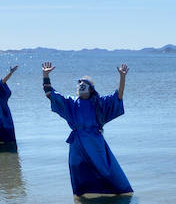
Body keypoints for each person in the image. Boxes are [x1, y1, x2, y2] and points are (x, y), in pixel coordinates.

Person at [42, 61, 132, 195]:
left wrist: (122, 77)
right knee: (78, 169)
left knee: (104, 168)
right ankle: (82, 201)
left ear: (91, 89)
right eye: (80, 84)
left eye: (84, 84)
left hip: (94, 142)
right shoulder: (70, 102)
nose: (81, 86)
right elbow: (50, 94)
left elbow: (118, 96)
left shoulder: (99, 103)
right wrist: (45, 75)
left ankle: (115, 193)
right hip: (77, 143)